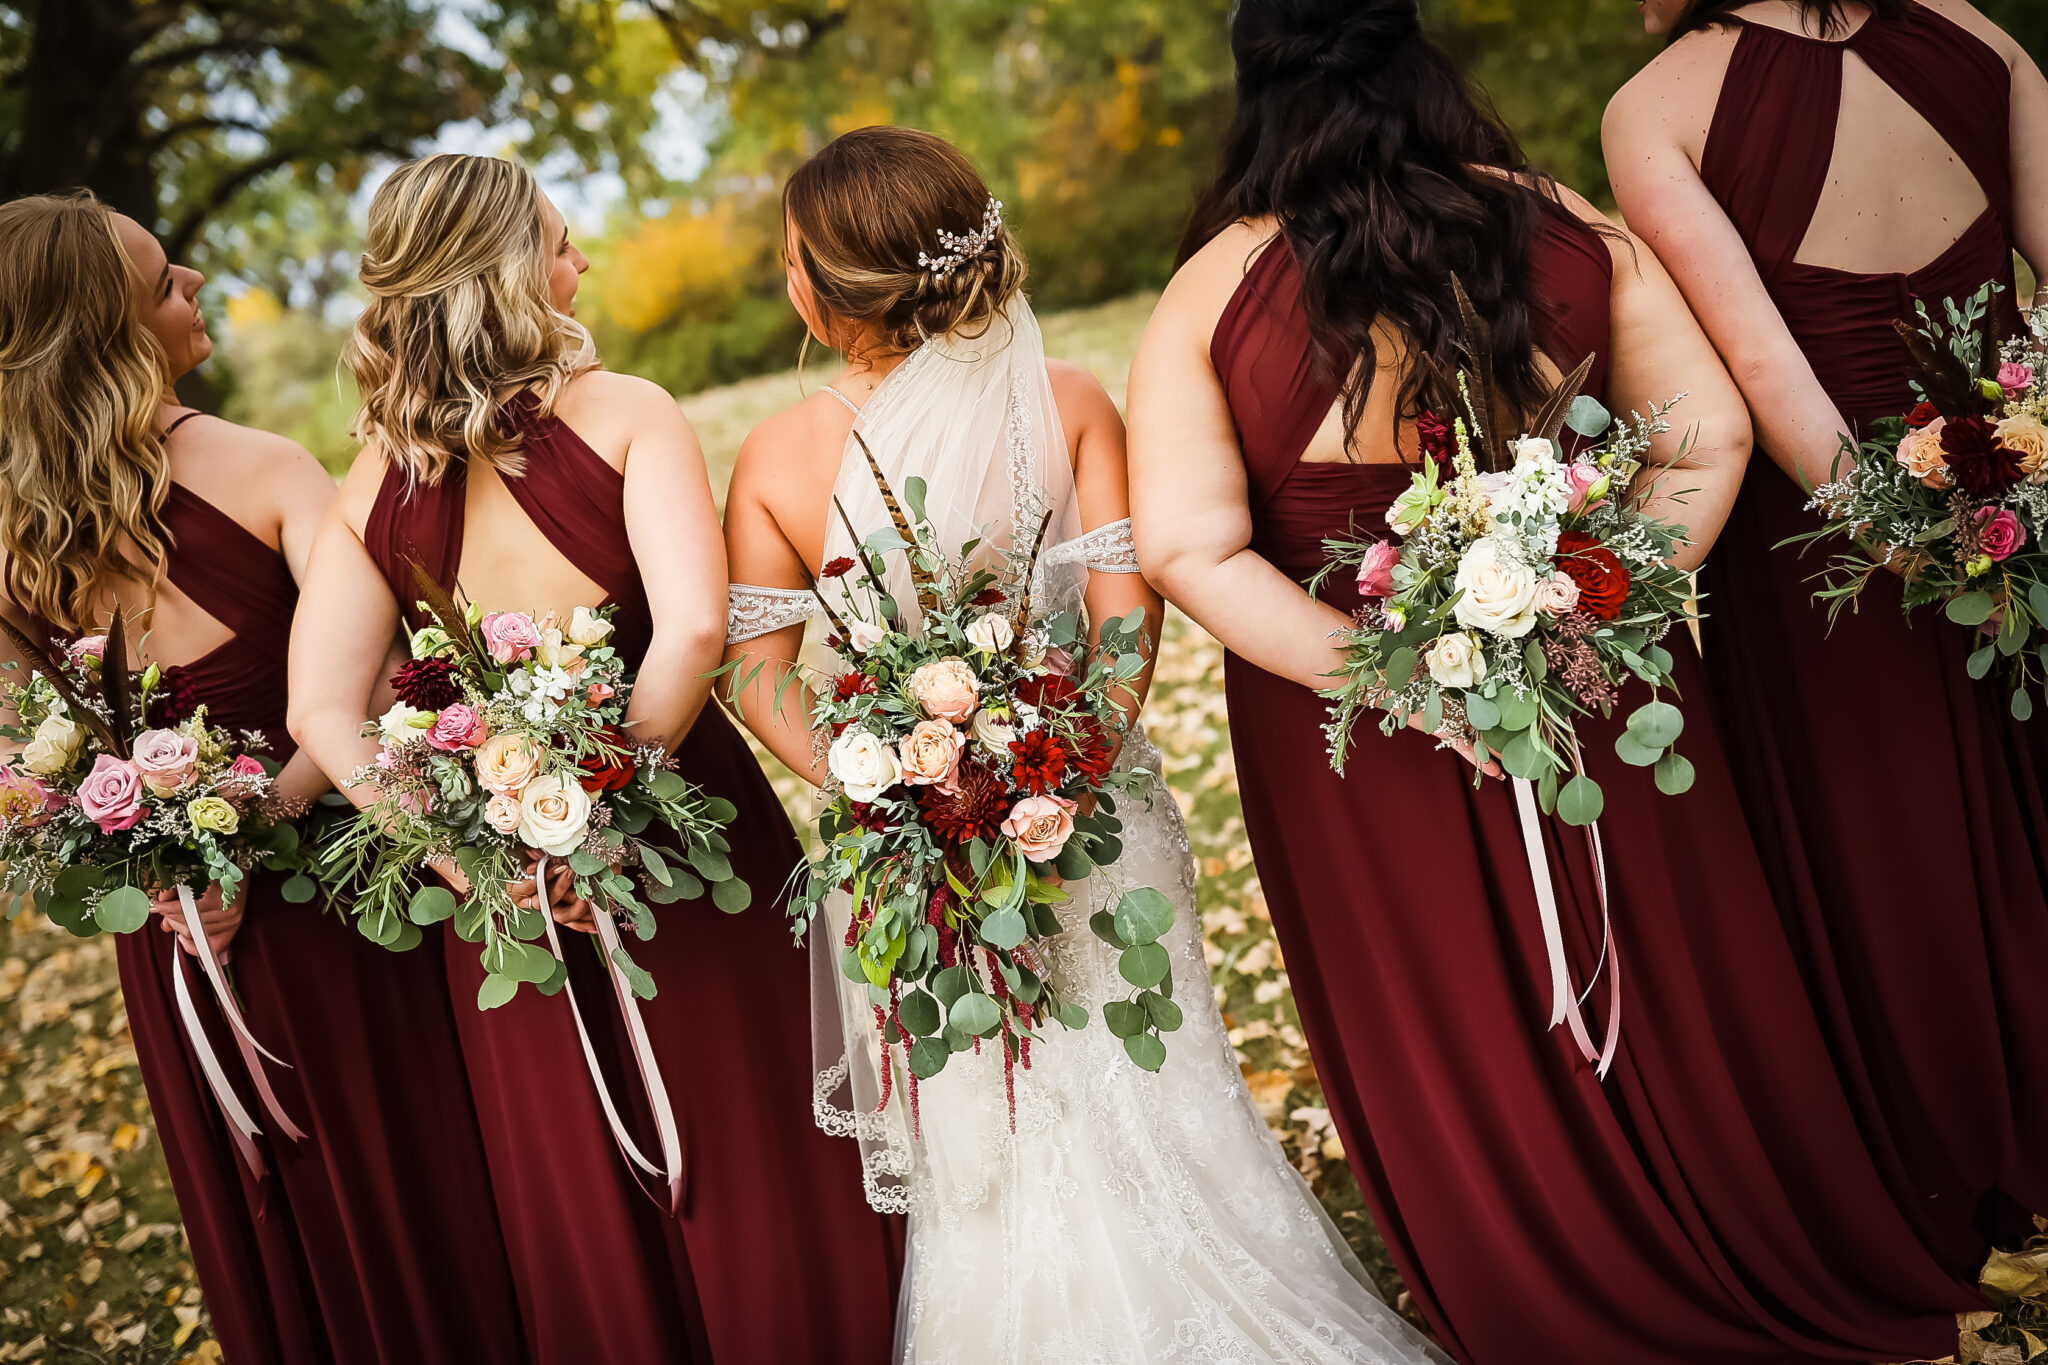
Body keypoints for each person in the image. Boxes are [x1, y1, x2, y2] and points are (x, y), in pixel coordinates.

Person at [1128, 0, 1983, 1360]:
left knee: (1457, 1004)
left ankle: (1549, 1265)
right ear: (1421, 57)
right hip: (1597, 678)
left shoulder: (1209, 291)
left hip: (1361, 745)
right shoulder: (1564, 228)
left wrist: (1395, 676)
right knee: (1665, 952)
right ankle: (1750, 1217)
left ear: (1257, 90)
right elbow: (1705, 432)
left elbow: (1187, 543)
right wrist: (1604, 597)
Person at [719, 123, 1448, 1365]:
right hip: (1091, 818)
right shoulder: (1065, 405)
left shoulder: (773, 458)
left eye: (792, 257)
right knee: (1144, 1074)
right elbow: (1125, 633)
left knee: (987, 1130)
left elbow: (755, 670)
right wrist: (1051, 773)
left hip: (909, 850)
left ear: (819, 288)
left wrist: (885, 778)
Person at [286, 152, 898, 1363]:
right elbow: (695, 628)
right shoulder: (627, 412)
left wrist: (475, 859)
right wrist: (602, 806)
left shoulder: (373, 479)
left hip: (505, 896)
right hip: (678, 827)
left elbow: (321, 713)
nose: (582, 263)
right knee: (749, 1120)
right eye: (561, 241)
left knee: (585, 1153)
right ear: (508, 270)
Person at [0, 192, 524, 1365]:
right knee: (411, 1177)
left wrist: (159, 855)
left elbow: (26, 760)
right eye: (163, 280)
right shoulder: (266, 467)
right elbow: (382, 684)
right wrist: (251, 826)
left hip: (185, 929)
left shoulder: (10, 538)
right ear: (111, 333)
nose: (193, 283)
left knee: (292, 1203)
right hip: (337, 894)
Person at [1606, 0, 2048, 1274]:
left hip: (1824, 558)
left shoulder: (1652, 109)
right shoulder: (1971, 31)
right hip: (2014, 488)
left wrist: (1920, 548)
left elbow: (1767, 384)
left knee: (1886, 847)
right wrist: (2016, 497)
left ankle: (1957, 1146)